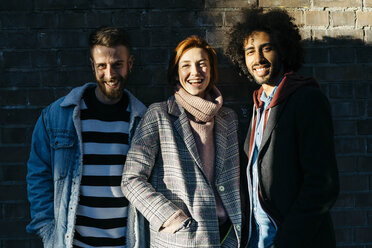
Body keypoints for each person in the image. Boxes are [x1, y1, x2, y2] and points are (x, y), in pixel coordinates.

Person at [225, 7, 339, 248]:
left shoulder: (306, 99)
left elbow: (322, 185)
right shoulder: (257, 106)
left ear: (283, 50)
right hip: (257, 240)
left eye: (267, 48)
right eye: (250, 51)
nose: (258, 59)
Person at [26, 26, 147, 248]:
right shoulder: (57, 117)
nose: (110, 74)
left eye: (117, 65)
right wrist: (48, 232)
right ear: (92, 66)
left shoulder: (144, 121)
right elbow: (38, 176)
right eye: (102, 66)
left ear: (130, 63)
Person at [121, 36, 242, 247]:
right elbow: (131, 179)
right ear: (176, 72)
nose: (195, 72)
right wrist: (171, 218)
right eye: (186, 65)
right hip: (180, 238)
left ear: (211, 70)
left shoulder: (228, 119)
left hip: (228, 238)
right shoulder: (159, 115)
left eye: (202, 64)